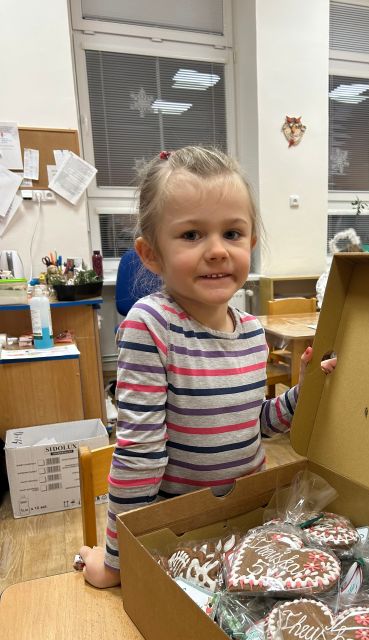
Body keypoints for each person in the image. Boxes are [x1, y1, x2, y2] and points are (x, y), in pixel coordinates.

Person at [80, 146, 333, 588]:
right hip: (182, 533)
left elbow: (256, 424)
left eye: (232, 233)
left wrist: (302, 394)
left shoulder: (251, 331)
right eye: (192, 234)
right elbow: (139, 457)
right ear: (151, 254)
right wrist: (119, 563)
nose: (217, 250)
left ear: (250, 243)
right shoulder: (150, 324)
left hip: (247, 519)